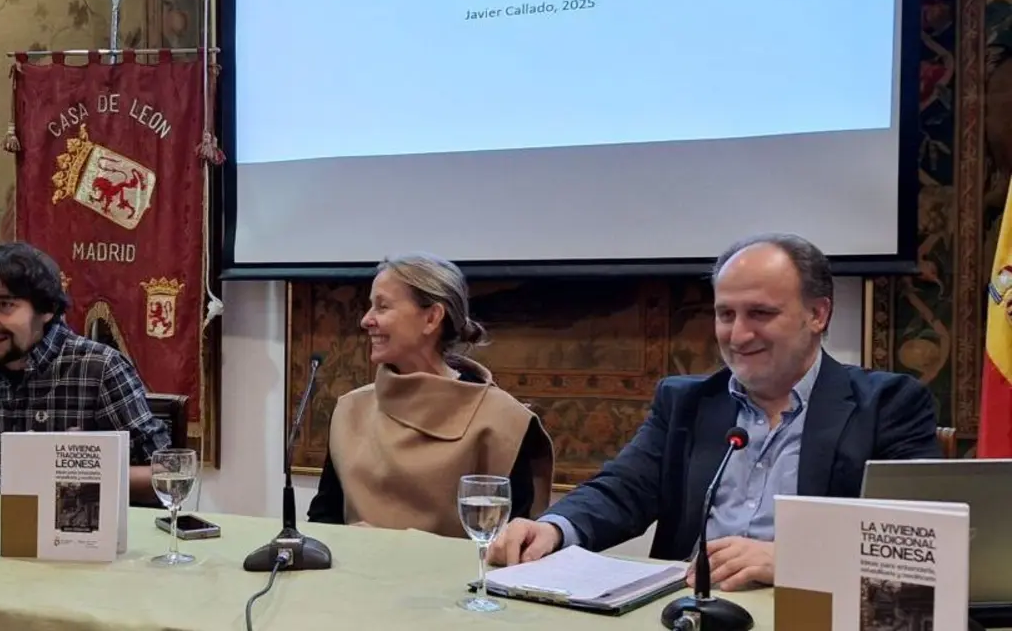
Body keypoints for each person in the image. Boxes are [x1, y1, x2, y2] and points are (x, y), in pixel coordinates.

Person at [487, 233, 940, 591]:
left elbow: (917, 542)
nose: (738, 336)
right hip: (689, 607)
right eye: (726, 315)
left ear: (818, 314)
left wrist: (796, 559)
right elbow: (623, 490)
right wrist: (554, 529)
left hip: (806, 608)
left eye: (760, 313)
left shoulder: (888, 405)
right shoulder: (687, 402)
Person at [0, 241, 171, 499]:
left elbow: (168, 474)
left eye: (4, 305)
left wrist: (87, 473)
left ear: (47, 308)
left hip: (70, 529)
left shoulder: (98, 367)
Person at [306, 252, 555, 538]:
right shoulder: (350, 410)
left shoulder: (503, 422)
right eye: (370, 306)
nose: (366, 320)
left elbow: (510, 543)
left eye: (382, 307)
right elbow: (323, 520)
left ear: (432, 318)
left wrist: (392, 547)